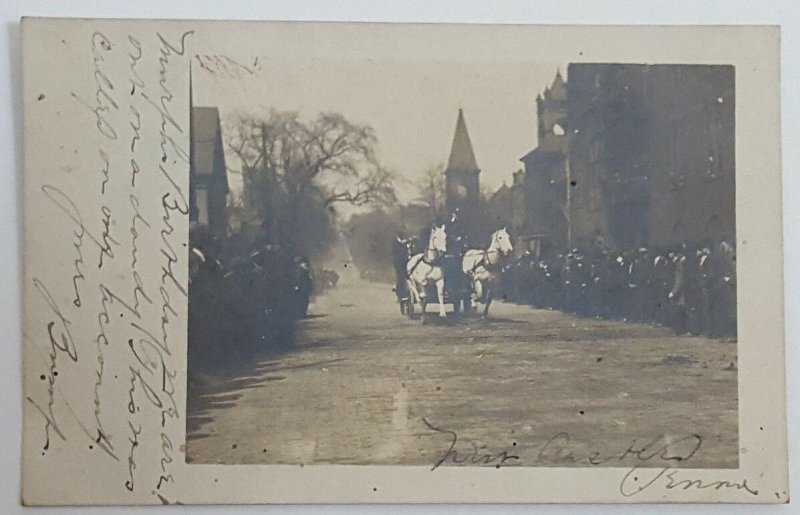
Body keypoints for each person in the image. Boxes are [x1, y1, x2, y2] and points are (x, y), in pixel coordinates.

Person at [392, 231, 411, 313]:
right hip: (399, 264)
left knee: (409, 276)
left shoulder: (404, 243)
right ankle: (400, 293)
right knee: (401, 277)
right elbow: (394, 255)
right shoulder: (395, 243)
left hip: (405, 262)